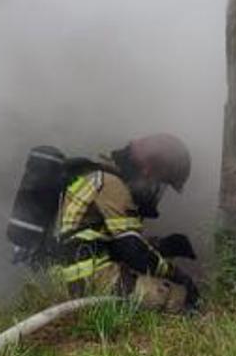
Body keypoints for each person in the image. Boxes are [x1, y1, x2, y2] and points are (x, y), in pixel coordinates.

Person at [48, 133, 200, 310]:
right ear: (147, 171)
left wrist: (162, 245)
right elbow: (131, 250)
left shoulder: (101, 177)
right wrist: (175, 274)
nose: (155, 191)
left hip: (73, 275)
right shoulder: (114, 186)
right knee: (174, 295)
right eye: (158, 183)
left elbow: (113, 242)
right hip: (88, 280)